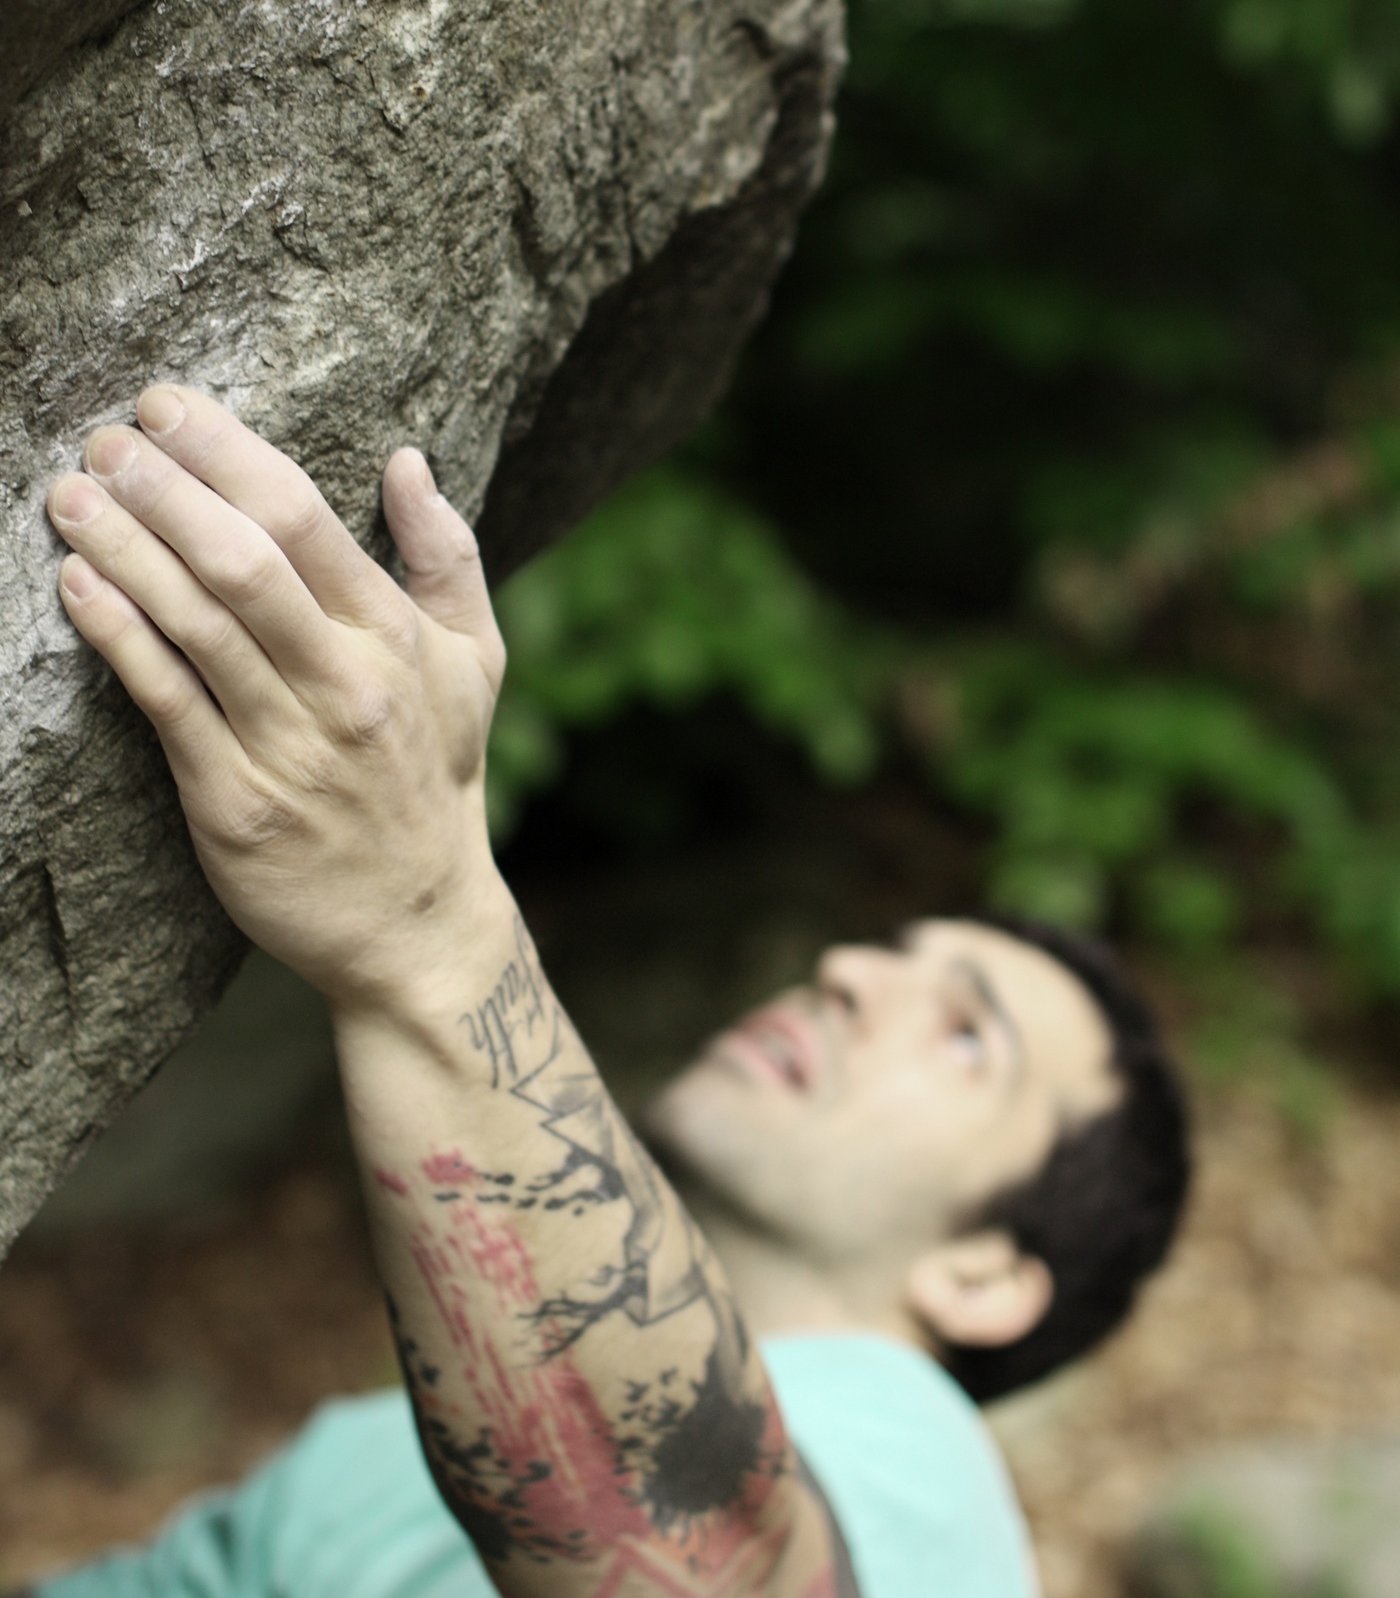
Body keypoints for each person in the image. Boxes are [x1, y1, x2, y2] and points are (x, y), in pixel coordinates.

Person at [32, 390, 1191, 1598]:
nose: (847, 975)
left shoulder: (925, 1475)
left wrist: (426, 929)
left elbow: (715, 1569)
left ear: (985, 1278)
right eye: (880, 951)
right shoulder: (381, 1444)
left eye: (964, 1037)